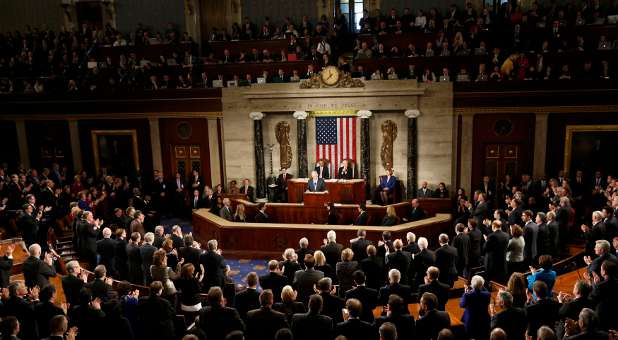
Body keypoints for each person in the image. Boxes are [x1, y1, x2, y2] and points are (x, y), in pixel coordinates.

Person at [460, 275, 491, 340]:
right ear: (482, 284)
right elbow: (484, 292)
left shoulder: (467, 295)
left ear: (472, 284)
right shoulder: (487, 294)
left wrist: (465, 292)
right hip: (483, 320)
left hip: (471, 321)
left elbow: (462, 305)